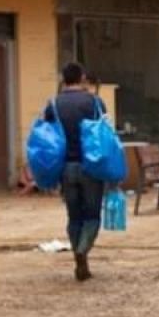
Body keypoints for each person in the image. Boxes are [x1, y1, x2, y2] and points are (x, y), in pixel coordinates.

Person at [43, 61, 106, 281]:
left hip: (66, 168)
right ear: (82, 78)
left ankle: (79, 257)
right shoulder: (94, 103)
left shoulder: (53, 104)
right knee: (92, 215)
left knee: (74, 216)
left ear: (63, 79)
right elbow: (103, 132)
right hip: (91, 166)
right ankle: (82, 251)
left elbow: (47, 136)